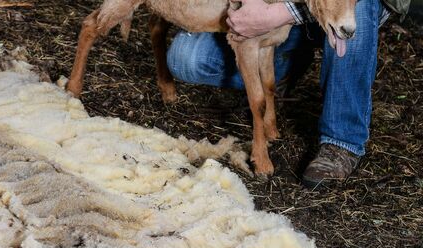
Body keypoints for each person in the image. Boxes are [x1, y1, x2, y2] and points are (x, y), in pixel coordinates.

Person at [165, 0, 409, 187]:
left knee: (361, 5)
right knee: (186, 59)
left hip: (337, 13)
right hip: (274, 17)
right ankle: (287, 63)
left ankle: (342, 141)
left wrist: (281, 14)